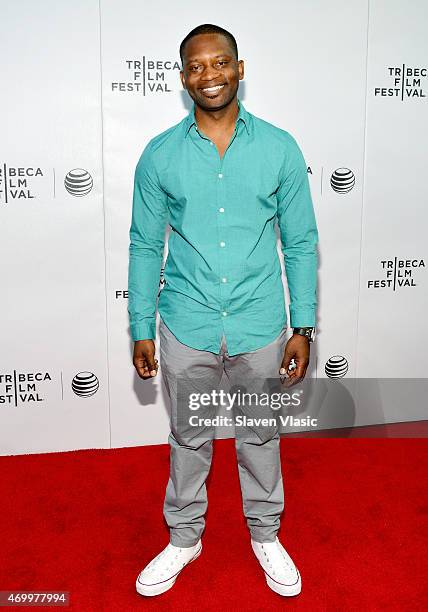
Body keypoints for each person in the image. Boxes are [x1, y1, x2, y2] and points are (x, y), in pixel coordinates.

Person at [128, 23, 318, 598]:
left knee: (260, 434)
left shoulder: (280, 148)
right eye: (196, 67)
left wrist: (303, 324)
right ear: (182, 78)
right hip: (186, 323)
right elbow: (144, 243)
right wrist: (140, 325)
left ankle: (266, 534)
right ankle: (184, 538)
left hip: (260, 322)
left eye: (219, 63)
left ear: (239, 69)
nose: (208, 76)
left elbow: (301, 241)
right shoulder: (159, 155)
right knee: (190, 435)